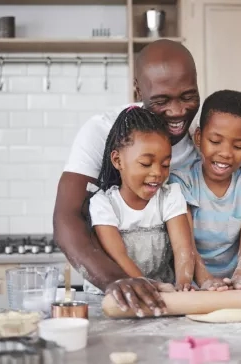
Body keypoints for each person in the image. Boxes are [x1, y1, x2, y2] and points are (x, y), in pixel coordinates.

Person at [54, 39, 241, 315]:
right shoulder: (106, 132)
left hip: (176, 295)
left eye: (188, 96)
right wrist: (116, 280)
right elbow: (66, 217)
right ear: (138, 89)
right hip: (118, 294)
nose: (178, 112)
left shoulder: (211, 135)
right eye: (162, 100)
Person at [85, 107, 195, 317]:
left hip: (162, 296)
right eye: (146, 163)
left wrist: (183, 285)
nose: (157, 173)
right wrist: (146, 287)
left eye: (165, 165)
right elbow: (119, 255)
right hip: (118, 299)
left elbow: (183, 248)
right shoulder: (104, 204)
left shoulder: (169, 196)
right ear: (118, 161)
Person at [170, 90, 241, 291]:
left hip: (238, 285)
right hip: (193, 284)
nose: (225, 153)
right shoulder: (182, 180)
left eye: (238, 145)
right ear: (198, 137)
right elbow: (185, 242)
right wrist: (204, 279)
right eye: (215, 142)